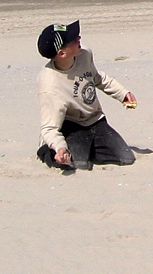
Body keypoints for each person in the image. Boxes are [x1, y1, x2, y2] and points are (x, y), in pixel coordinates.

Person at [36, 20, 138, 172]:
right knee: (79, 164)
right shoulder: (50, 85)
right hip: (71, 126)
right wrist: (60, 148)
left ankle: (85, 148)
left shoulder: (84, 53)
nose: (79, 38)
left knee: (126, 158)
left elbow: (98, 78)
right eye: (73, 39)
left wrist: (122, 93)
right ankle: (47, 150)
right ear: (62, 53)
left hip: (96, 121)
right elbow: (49, 127)